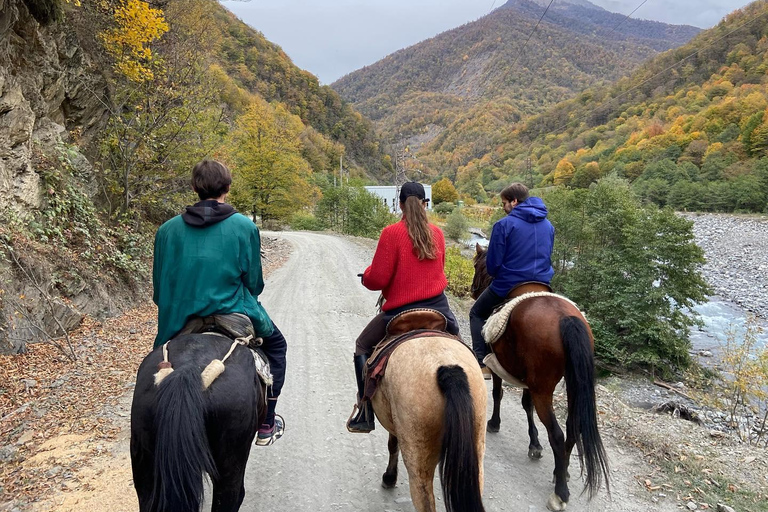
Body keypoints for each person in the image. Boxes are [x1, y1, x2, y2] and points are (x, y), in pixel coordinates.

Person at [152, 160, 287, 446]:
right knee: (277, 347)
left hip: (180, 320)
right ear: (228, 187)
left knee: (156, 363)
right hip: (232, 313)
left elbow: (158, 292)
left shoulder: (166, 231)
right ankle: (266, 422)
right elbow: (254, 285)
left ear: (193, 188)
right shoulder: (243, 227)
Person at [347, 182, 460, 433]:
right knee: (462, 347)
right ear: (424, 203)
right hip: (438, 309)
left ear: (400, 204)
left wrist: (366, 276)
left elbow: (378, 279)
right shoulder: (438, 234)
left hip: (400, 312)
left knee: (361, 346)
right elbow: (438, 269)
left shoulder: (391, 233)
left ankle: (365, 411)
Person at [469, 182, 555, 368]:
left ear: (514, 201)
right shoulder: (548, 225)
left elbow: (492, 266)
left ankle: (482, 363)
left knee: (476, 313)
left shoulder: (503, 225)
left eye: (504, 203)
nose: (503, 208)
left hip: (510, 285)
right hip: (542, 283)